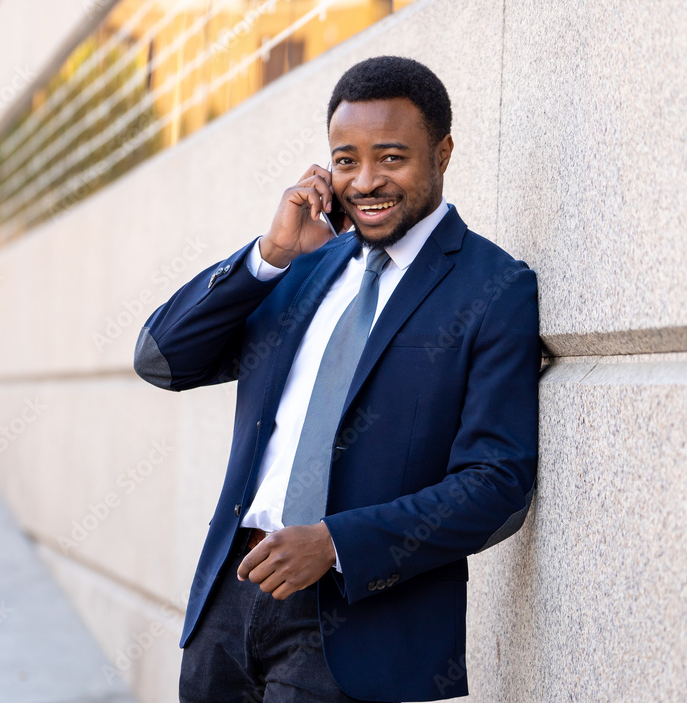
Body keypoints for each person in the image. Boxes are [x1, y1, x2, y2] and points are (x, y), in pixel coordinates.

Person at [133, 56, 540, 703]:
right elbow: (162, 358)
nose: (366, 180)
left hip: (357, 620)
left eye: (391, 157)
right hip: (232, 594)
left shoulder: (492, 288)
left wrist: (334, 542)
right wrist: (268, 255)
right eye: (345, 160)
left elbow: (498, 483)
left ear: (443, 152)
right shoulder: (305, 267)